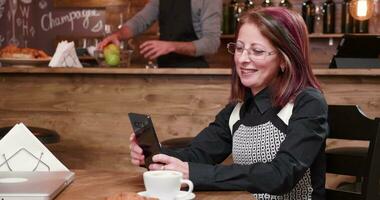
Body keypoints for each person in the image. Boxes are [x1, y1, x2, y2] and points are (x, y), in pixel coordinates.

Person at [130, 7, 328, 199]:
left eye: (257, 51)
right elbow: (198, 155)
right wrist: (155, 155)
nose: (242, 59)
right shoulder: (237, 109)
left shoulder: (308, 103)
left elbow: (281, 175)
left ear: (285, 59)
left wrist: (194, 173)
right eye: (239, 48)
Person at [98, 0, 222, 68]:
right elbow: (140, 21)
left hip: (195, 74)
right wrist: (117, 35)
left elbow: (211, 43)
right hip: (164, 72)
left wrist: (171, 46)